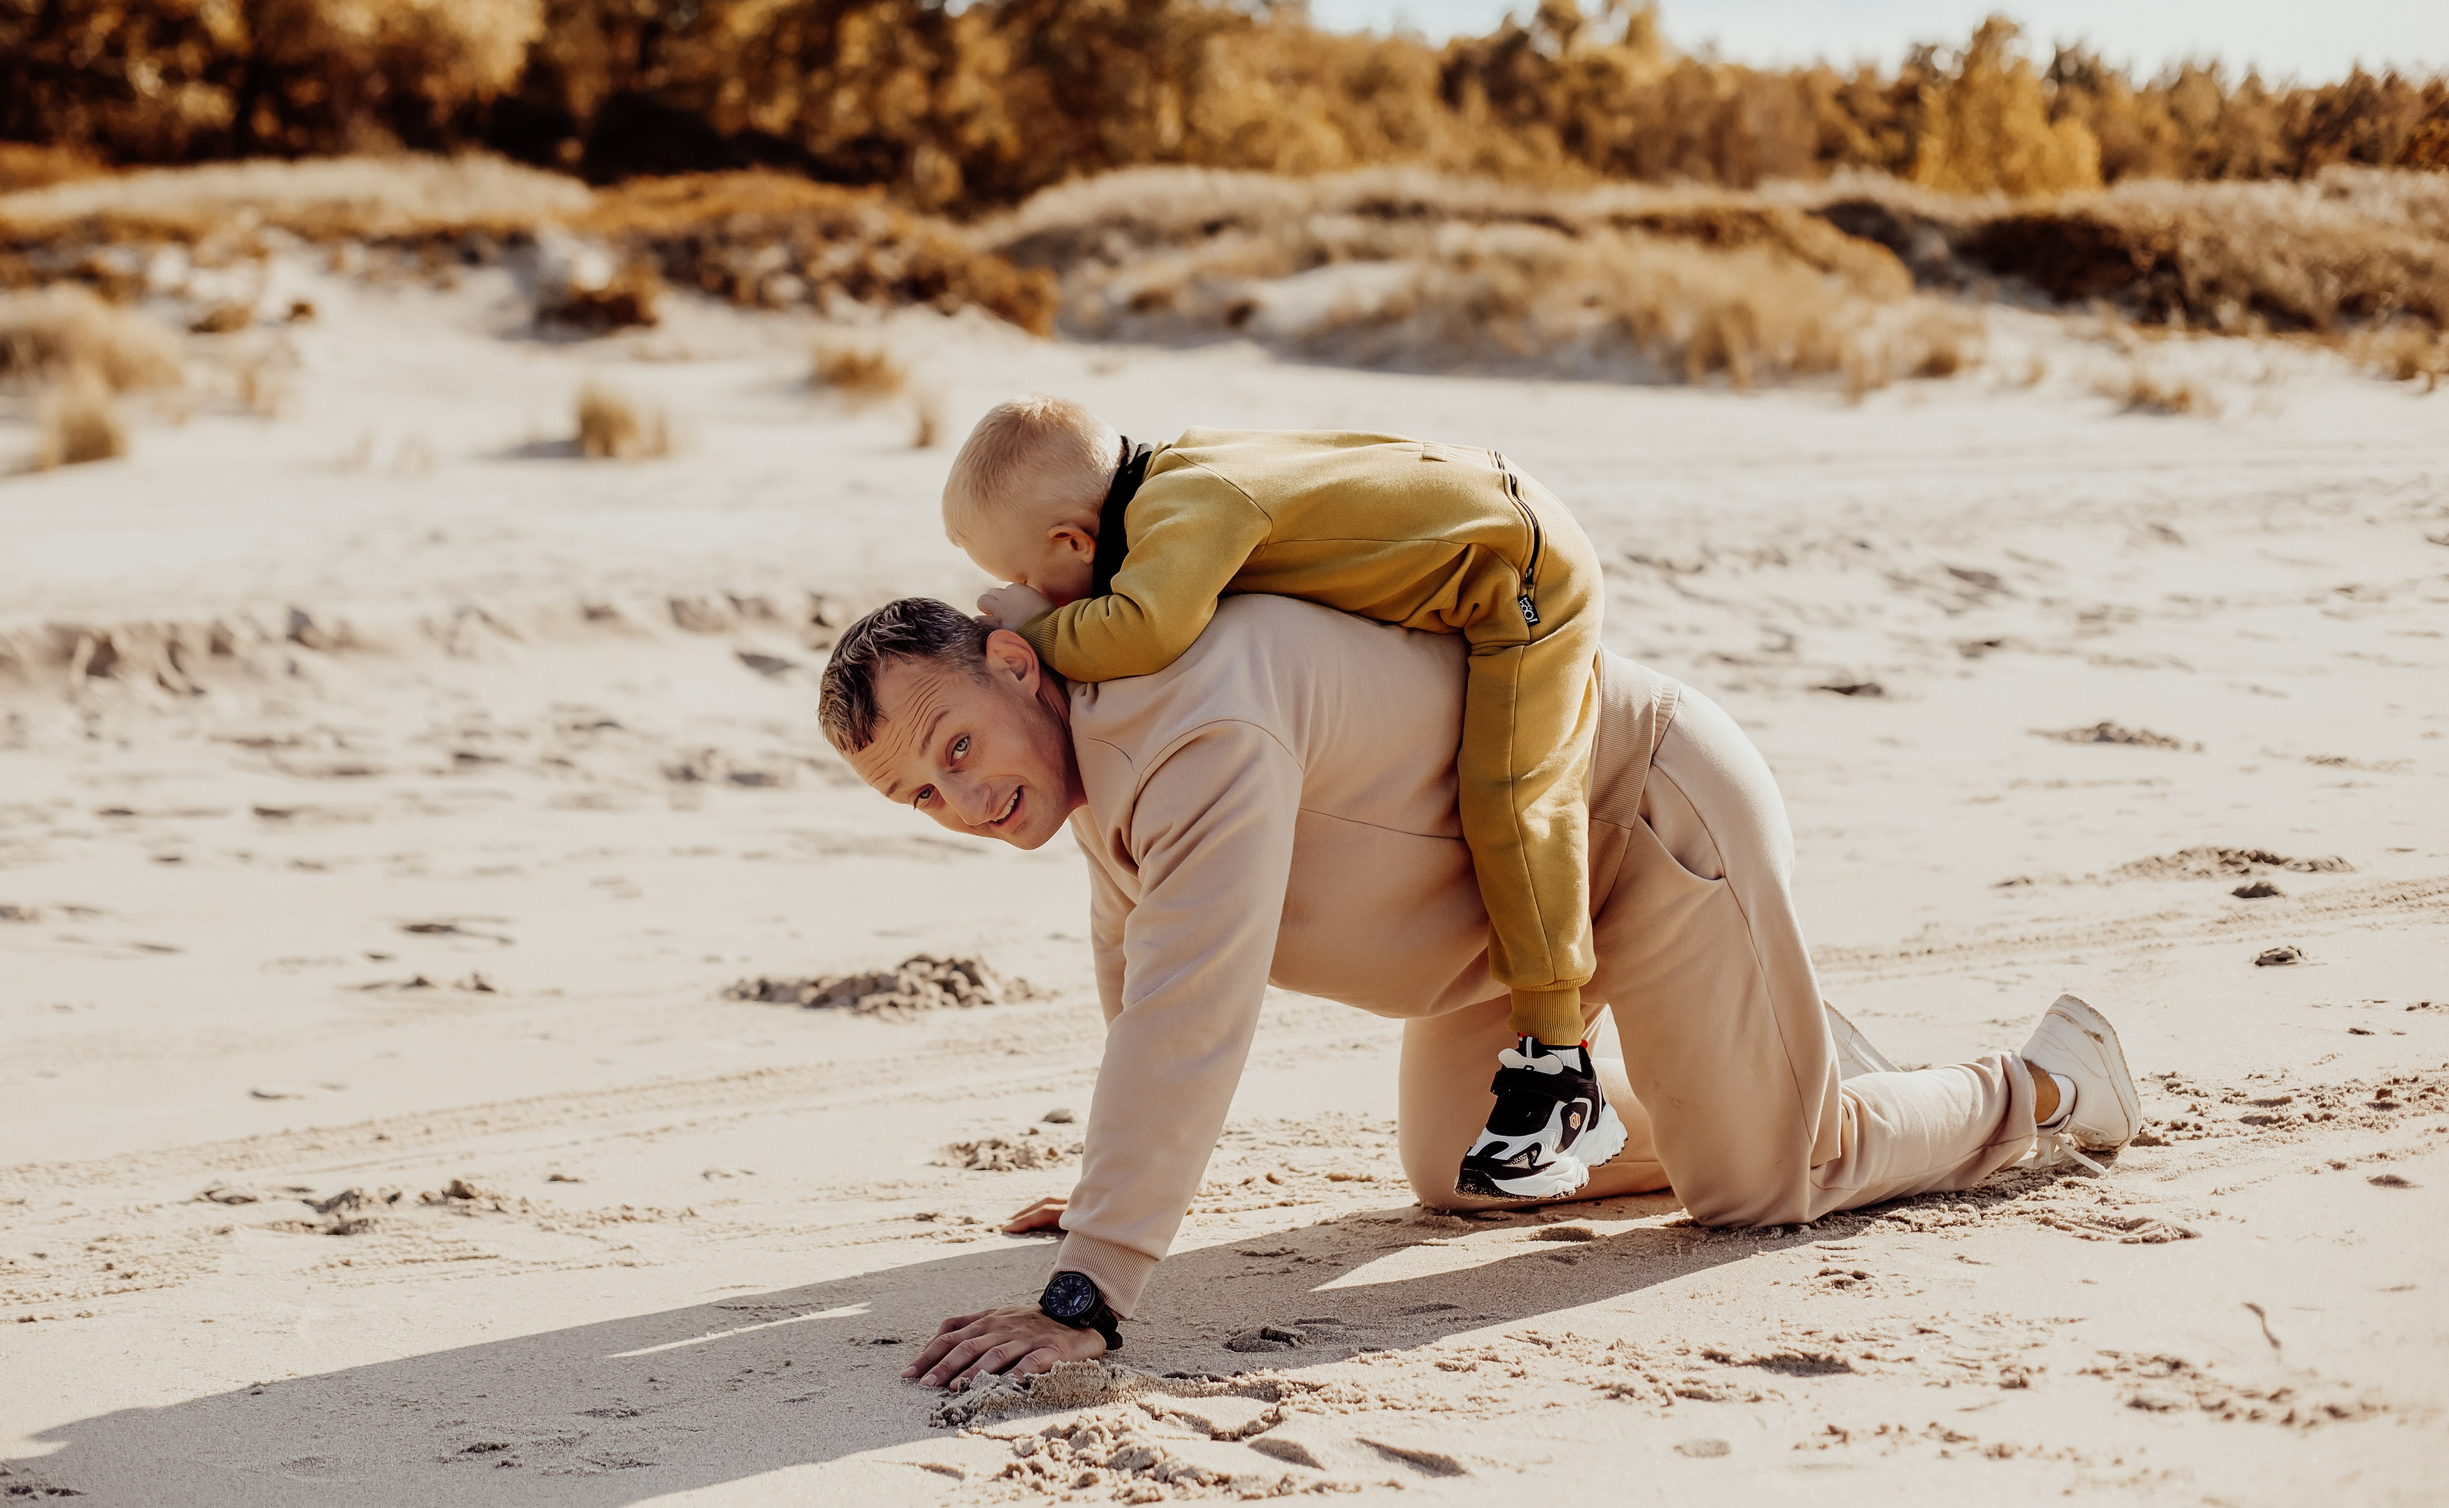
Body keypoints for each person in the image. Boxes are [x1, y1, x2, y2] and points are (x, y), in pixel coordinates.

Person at [815, 594, 2142, 1389]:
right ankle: (1775, 1054)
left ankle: (2049, 1080)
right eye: (919, 792)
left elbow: (1191, 1002)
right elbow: (1132, 954)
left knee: (1768, 1182)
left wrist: (1088, 1285)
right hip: (1498, 921)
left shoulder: (1181, 724)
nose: (960, 797)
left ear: (1013, 661)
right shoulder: (1089, 759)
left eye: (957, 744)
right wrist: (1117, 1177)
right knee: (1475, 1167)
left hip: (1635, 816)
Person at [942, 396, 1617, 1200]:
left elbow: (1144, 628)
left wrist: (1034, 633)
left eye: (1020, 577)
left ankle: (1555, 1057)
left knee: (1513, 791)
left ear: (1072, 541)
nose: (1023, 595)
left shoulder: (1189, 506)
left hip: (1521, 572)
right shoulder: (1173, 490)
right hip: (1487, 522)